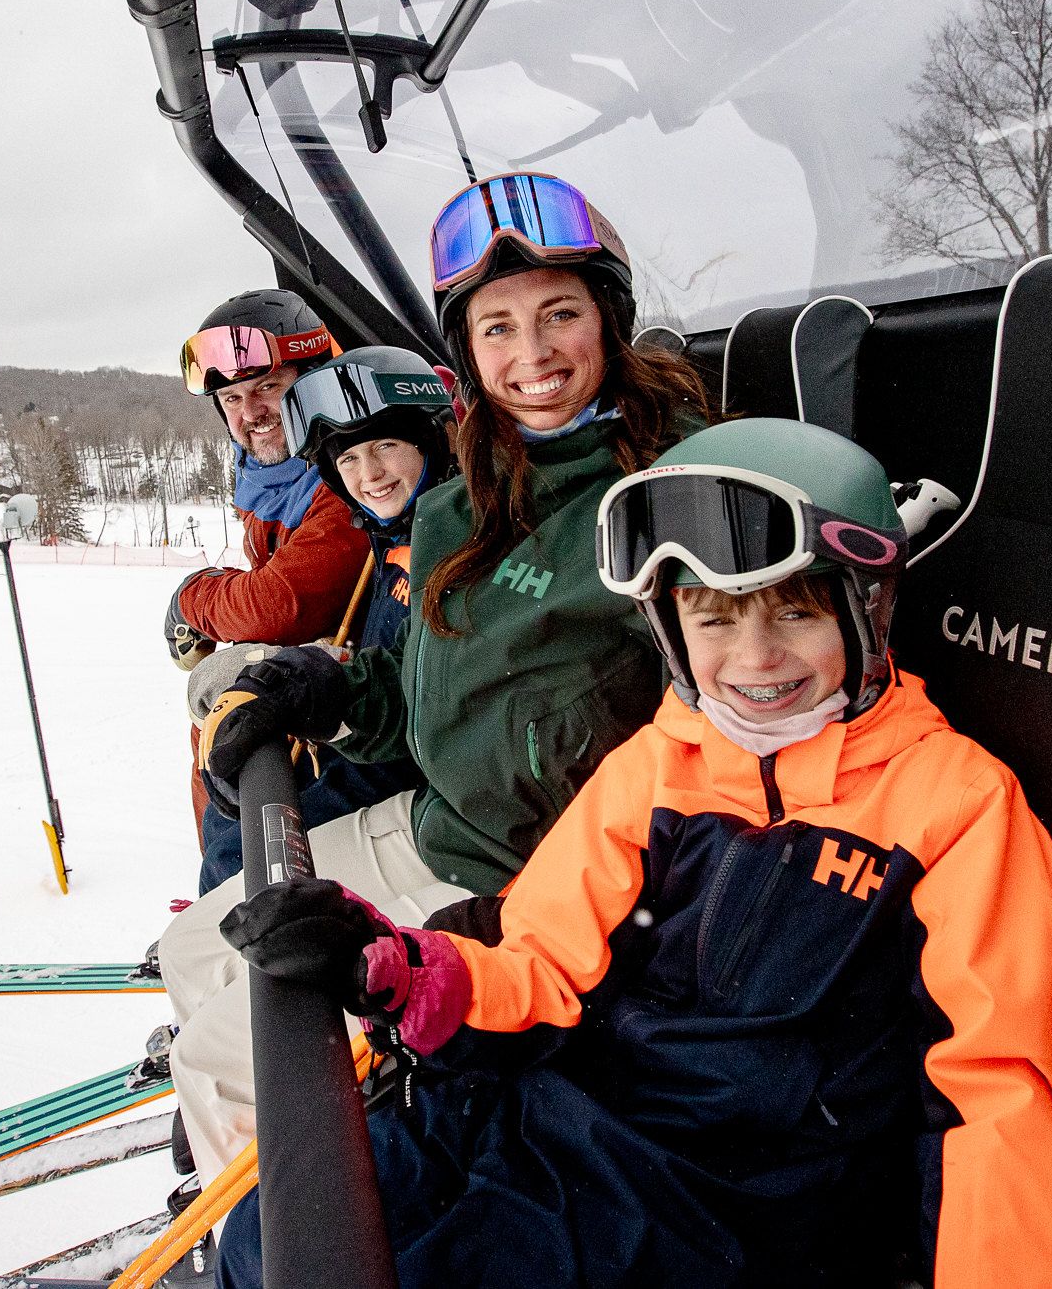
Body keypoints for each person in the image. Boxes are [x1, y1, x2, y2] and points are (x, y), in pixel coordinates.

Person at [219, 418, 1052, 1288]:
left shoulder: (955, 805)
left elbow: (998, 1100)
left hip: (728, 1203)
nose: (754, 658)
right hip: (557, 1119)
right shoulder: (663, 761)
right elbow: (542, 957)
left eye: (796, 610)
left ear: (867, 606)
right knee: (271, 1236)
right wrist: (404, 973)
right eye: (712, 619)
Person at [161, 172, 713, 1175]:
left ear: (608, 320)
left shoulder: (672, 490)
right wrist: (328, 698)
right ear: (467, 350)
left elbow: (726, 730)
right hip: (435, 825)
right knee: (195, 951)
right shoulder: (467, 490)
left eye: (558, 314)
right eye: (495, 329)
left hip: (528, 881)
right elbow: (425, 690)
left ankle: (278, 1223)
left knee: (225, 1058)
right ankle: (282, 1157)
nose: (531, 353)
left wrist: (534, 915)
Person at [184, 345, 454, 888]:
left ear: (432, 439)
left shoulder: (451, 540)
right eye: (349, 458)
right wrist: (313, 671)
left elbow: (281, 604)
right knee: (231, 812)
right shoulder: (391, 532)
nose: (369, 473)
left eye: (385, 446)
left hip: (414, 776)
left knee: (245, 844)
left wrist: (321, 687)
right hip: (374, 744)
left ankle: (241, 948)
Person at [165, 290, 380, 867]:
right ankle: (216, 914)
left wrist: (196, 597)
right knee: (218, 727)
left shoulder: (351, 476)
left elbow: (280, 604)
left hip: (356, 711)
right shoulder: (272, 482)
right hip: (310, 692)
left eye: (267, 388)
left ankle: (227, 920)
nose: (249, 413)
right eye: (232, 398)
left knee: (239, 763)